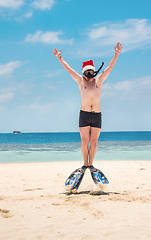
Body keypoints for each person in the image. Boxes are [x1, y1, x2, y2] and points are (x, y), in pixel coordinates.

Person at [53, 42, 122, 190]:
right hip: (84, 115)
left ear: (94, 72)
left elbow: (110, 68)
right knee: (84, 142)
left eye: (91, 74)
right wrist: (60, 58)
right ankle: (85, 164)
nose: (89, 77)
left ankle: (91, 164)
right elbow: (69, 69)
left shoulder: (100, 80)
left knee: (94, 143)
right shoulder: (80, 80)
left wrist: (116, 54)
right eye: (87, 74)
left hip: (97, 115)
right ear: (84, 73)